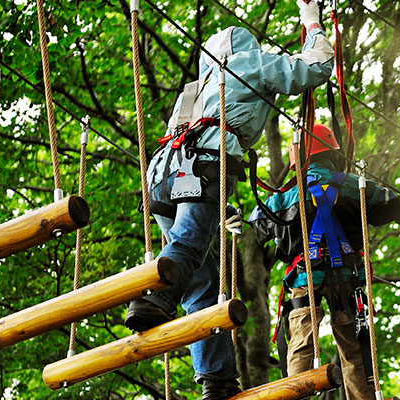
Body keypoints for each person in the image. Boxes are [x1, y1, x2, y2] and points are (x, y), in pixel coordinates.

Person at [122, 2, 334, 399]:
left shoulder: (194, 89)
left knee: (201, 283)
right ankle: (154, 295)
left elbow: (190, 169)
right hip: (205, 164)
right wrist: (311, 20)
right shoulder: (247, 64)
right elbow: (317, 65)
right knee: (189, 244)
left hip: (162, 178)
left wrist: (224, 209)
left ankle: (217, 380)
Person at [248, 124, 400, 400]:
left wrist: (233, 219)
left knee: (301, 344)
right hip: (348, 280)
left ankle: (293, 397)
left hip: (305, 278)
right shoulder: (355, 186)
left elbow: (257, 223)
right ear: (333, 154)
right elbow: (395, 206)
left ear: (297, 160)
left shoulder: (284, 197)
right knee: (355, 352)